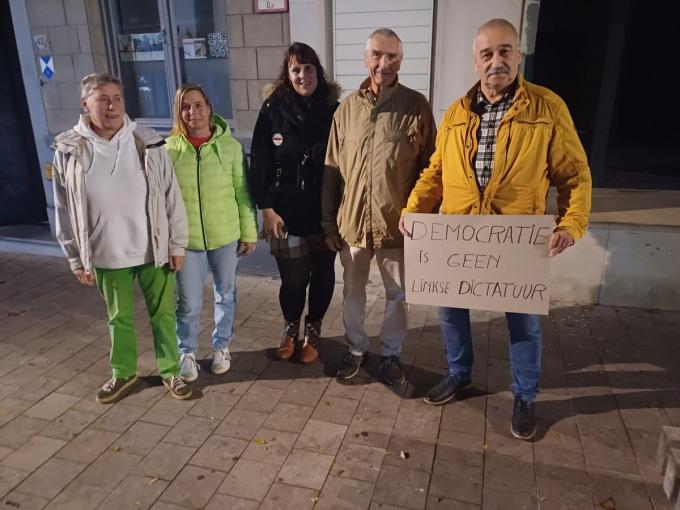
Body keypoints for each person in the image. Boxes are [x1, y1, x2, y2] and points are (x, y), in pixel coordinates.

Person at [400, 19, 592, 439]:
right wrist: (413, 210)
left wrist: (570, 224)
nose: (496, 61)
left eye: (505, 51)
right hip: (459, 237)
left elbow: (574, 176)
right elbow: (435, 172)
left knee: (523, 322)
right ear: (476, 62)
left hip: (515, 242)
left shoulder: (546, 108)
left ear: (518, 55)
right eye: (487, 54)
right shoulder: (456, 113)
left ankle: (525, 396)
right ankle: (459, 373)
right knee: (451, 312)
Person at [52, 73, 191, 403]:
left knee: (164, 315)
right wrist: (74, 256)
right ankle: (123, 374)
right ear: (85, 104)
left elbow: (172, 195)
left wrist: (177, 243)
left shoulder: (148, 140)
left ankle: (171, 371)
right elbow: (63, 207)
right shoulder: (68, 148)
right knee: (118, 319)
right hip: (105, 252)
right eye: (103, 99)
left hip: (152, 250)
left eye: (117, 98)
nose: (112, 106)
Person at [322, 28, 436, 385]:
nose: (383, 63)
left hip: (395, 226)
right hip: (352, 224)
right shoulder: (346, 110)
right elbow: (332, 170)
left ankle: (390, 355)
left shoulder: (416, 106)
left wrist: (424, 222)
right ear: (365, 57)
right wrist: (328, 223)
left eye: (391, 57)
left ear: (401, 61)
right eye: (377, 55)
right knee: (352, 292)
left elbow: (430, 169)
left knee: (398, 295)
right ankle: (356, 349)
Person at [249, 42, 340, 364]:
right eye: (296, 69)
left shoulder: (334, 109)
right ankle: (291, 328)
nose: (303, 75)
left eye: (309, 68)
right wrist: (266, 207)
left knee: (323, 275)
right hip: (284, 212)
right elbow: (259, 159)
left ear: (318, 71)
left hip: (325, 212)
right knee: (294, 280)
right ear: (287, 75)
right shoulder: (273, 109)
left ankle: (313, 329)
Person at [166, 85, 258, 381]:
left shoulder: (229, 147)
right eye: (186, 107)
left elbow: (242, 191)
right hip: (186, 241)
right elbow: (162, 201)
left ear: (209, 107)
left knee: (226, 295)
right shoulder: (169, 150)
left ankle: (222, 347)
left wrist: (248, 232)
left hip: (225, 236)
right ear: (180, 113)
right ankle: (187, 352)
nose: (193, 112)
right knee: (189, 303)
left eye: (198, 104)